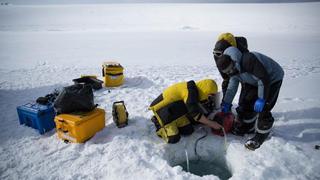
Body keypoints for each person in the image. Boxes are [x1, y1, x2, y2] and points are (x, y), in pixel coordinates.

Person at [216, 46, 284, 150]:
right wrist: (226, 102)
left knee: (264, 107)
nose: (230, 73)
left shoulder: (248, 61)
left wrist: (262, 99)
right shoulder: (232, 70)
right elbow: (232, 86)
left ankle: (261, 135)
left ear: (233, 62)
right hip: (253, 80)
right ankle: (247, 127)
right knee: (246, 102)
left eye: (230, 70)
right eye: (227, 72)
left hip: (271, 78)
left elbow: (263, 79)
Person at [149, 79, 223, 143]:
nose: (209, 98)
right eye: (210, 95)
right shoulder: (189, 92)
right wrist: (212, 124)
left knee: (188, 131)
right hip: (162, 110)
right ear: (205, 91)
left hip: (175, 112)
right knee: (173, 138)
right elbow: (195, 114)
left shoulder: (194, 90)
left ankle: (174, 123)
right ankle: (158, 122)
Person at [213, 33, 249, 98]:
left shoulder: (241, 48)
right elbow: (221, 68)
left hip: (239, 61)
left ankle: (244, 103)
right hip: (228, 58)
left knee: (245, 82)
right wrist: (226, 77)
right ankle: (225, 101)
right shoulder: (217, 53)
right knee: (227, 81)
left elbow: (246, 62)